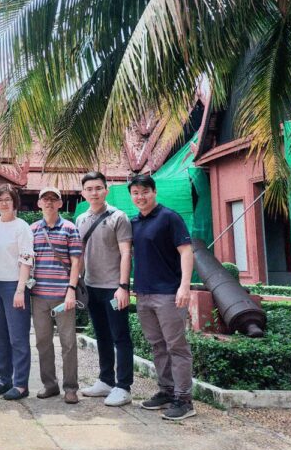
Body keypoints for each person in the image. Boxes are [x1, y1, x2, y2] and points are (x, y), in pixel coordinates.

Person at [128, 174, 196, 421]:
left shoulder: (169, 217)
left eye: (144, 191)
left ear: (154, 192)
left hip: (168, 293)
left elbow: (186, 251)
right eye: (135, 193)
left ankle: (184, 400)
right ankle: (166, 391)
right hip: (144, 294)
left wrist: (184, 286)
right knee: (158, 346)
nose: (140, 197)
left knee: (176, 346)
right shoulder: (134, 222)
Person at [76, 171, 134, 407]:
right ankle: (106, 380)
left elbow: (126, 252)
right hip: (91, 286)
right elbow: (78, 255)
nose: (94, 193)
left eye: (98, 188)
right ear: (83, 193)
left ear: (106, 190)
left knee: (120, 336)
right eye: (89, 189)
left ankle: (124, 386)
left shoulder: (118, 217)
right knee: (101, 335)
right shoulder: (81, 219)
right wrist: (77, 283)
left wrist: (123, 286)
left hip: (113, 288)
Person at [30, 187, 82, 404]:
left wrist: (71, 290)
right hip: (38, 295)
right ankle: (49, 385)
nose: (49, 203)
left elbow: (76, 261)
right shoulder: (31, 230)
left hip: (63, 296)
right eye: (45, 199)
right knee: (43, 342)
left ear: (60, 204)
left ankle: (70, 388)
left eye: (54, 199)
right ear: (39, 204)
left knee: (68, 343)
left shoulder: (70, 228)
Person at [0, 184, 34, 400]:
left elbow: (26, 259)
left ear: (15, 202)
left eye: (8, 199)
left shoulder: (21, 226)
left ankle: (21, 384)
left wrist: (20, 289)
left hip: (14, 285)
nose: (3, 203)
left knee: (18, 337)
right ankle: (4, 379)